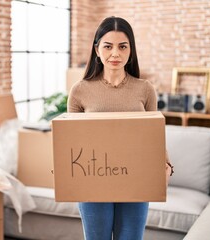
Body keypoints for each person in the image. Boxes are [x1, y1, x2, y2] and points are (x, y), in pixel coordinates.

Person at [67, 16, 174, 240]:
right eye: (108, 46)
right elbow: (70, 143)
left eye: (122, 46)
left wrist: (166, 166)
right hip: (92, 184)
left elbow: (154, 137)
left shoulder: (145, 90)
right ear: (97, 50)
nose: (115, 53)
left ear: (131, 51)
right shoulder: (79, 91)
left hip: (136, 181)